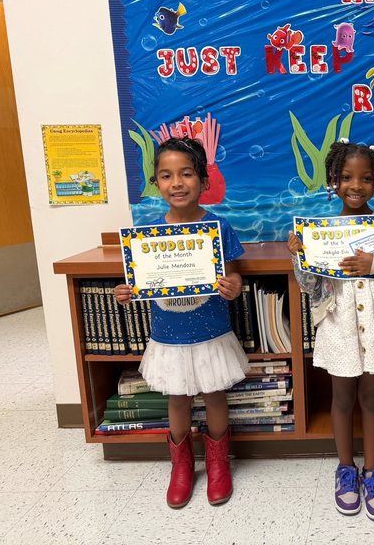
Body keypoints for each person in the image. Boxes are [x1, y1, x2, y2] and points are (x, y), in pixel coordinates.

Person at [287, 140, 374, 521]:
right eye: (346, 177)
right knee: (343, 397)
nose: (356, 185)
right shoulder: (319, 230)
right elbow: (311, 287)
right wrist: (301, 256)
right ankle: (346, 470)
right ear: (333, 180)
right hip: (339, 326)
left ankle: (372, 471)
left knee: (373, 398)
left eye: (366, 178)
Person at [114, 137, 248, 509]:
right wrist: (125, 292)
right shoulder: (147, 234)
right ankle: (181, 467)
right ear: (156, 182)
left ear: (204, 180)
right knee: (178, 398)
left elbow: (234, 275)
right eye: (167, 175)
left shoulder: (219, 228)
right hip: (169, 337)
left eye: (187, 173)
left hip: (211, 333)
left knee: (215, 394)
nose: (177, 182)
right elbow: (136, 281)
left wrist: (233, 286)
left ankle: (219, 463)